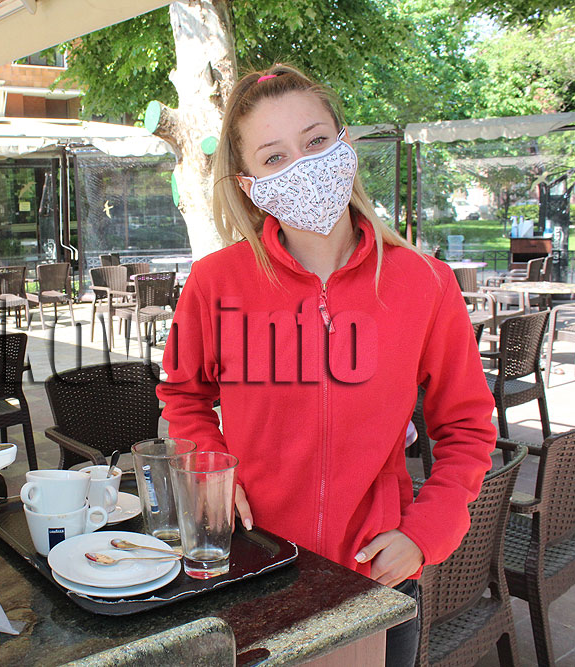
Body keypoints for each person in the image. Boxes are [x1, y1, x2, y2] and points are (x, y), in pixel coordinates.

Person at [157, 64, 495, 667]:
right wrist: (212, 475)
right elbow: (183, 396)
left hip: (375, 575)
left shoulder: (426, 282)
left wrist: (426, 533)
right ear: (248, 184)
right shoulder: (214, 282)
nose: (303, 165)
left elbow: (467, 428)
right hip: (254, 564)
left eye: (316, 141)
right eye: (274, 156)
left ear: (345, 145)